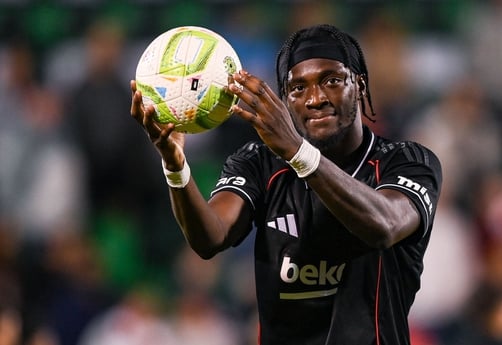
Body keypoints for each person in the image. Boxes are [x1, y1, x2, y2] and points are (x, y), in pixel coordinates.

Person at [130, 24, 442, 344]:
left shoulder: (407, 162)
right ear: (285, 101)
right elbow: (211, 237)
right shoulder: (259, 164)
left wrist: (298, 151)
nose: (315, 99)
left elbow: (385, 225)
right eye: (297, 88)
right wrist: (176, 167)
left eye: (331, 81)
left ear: (360, 85)